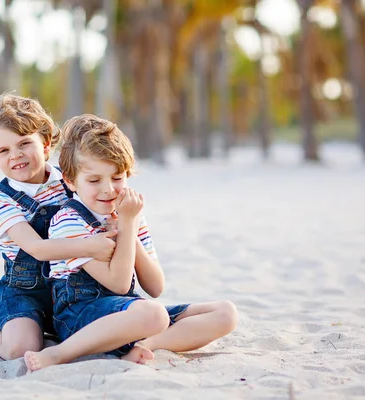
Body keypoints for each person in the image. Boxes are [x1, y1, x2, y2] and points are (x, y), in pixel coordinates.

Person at [24, 114, 238, 372]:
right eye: (94, 180)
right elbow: (118, 283)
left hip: (129, 312)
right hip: (81, 318)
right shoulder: (67, 221)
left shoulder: (130, 213)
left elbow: (155, 286)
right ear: (70, 180)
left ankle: (146, 345)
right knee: (153, 315)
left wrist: (131, 230)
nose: (108, 190)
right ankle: (60, 353)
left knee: (225, 313)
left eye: (117, 178)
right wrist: (125, 226)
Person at [0, 94, 117, 361]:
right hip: (24, 291)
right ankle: (2, 338)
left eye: (24, 144)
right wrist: (91, 246)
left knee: (105, 332)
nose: (16, 155)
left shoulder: (70, 180)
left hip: (71, 286)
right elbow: (36, 248)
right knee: (20, 350)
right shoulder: (2, 200)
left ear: (46, 144)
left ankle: (58, 335)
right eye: (3, 151)